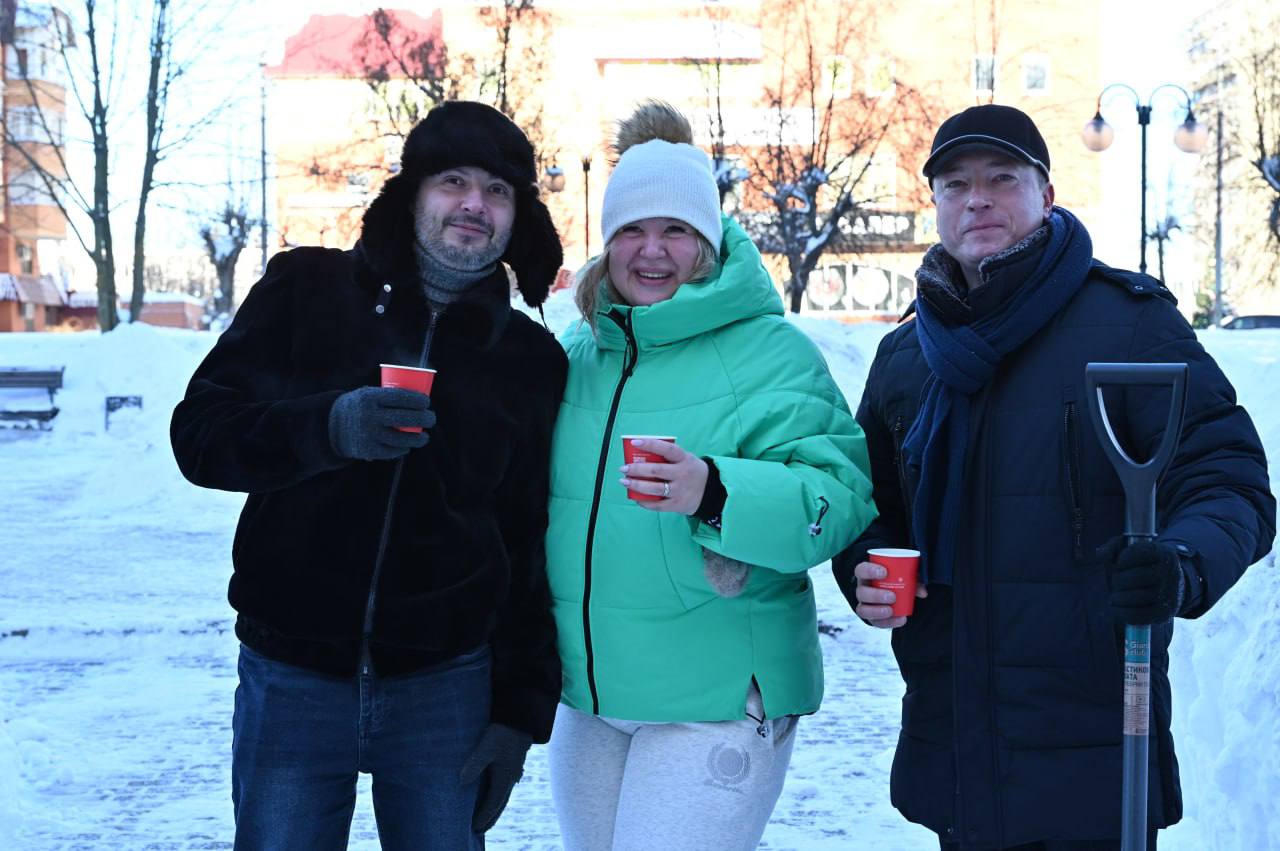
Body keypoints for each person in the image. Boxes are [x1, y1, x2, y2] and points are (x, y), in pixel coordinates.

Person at [833, 103, 1275, 850]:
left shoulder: (1128, 324)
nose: (977, 199)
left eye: (1002, 178)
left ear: (1047, 193)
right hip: (956, 739)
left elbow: (1227, 478)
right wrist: (864, 567)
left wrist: (1181, 562)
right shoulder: (908, 355)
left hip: (1095, 742)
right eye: (955, 183)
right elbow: (864, 504)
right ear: (935, 203)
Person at [170, 101, 567, 850]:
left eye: (498, 191)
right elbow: (200, 436)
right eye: (453, 181)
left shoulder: (529, 360)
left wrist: (519, 710)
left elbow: (528, 538)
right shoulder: (305, 290)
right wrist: (327, 427)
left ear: (518, 218)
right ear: (412, 194)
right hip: (292, 677)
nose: (474, 205)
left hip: (445, 687)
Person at [543, 101, 879, 851]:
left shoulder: (770, 352)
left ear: (710, 240)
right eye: (631, 229)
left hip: (716, 697)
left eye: (677, 230)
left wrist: (716, 491)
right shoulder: (579, 353)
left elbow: (839, 498)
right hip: (590, 695)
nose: (651, 250)